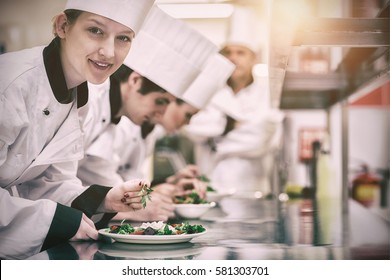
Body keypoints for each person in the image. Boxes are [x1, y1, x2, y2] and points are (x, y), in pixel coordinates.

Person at [0, 0, 155, 259]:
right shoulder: (10, 84)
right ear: (62, 26)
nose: (109, 52)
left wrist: (104, 198)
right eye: (95, 31)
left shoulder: (78, 98)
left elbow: (47, 182)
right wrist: (55, 219)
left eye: (123, 38)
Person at [76, 6, 219, 222]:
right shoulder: (90, 103)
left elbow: (111, 181)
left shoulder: (115, 115)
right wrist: (143, 203)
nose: (161, 115)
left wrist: (164, 188)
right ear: (135, 81)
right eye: (160, 102)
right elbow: (70, 183)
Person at [184, 7, 284, 207]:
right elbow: (192, 127)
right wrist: (234, 124)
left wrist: (216, 142)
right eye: (228, 52)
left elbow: (262, 139)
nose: (233, 57)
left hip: (254, 193)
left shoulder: (268, 94)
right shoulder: (207, 90)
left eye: (241, 52)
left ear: (253, 58)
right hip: (209, 192)